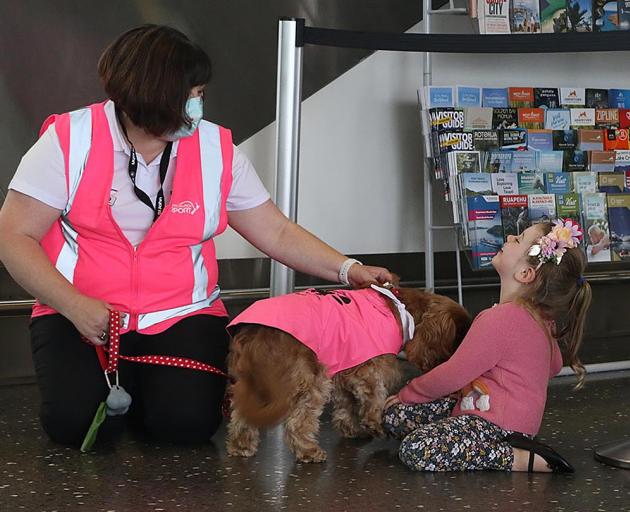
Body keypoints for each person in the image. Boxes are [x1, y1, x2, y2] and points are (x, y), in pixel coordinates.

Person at [0, 25, 392, 448]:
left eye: (200, 93)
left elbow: (275, 231)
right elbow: (13, 234)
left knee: (185, 426)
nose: (198, 105)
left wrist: (347, 269)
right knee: (78, 428)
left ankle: (145, 392)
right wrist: (72, 304)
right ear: (149, 95)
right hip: (81, 314)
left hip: (182, 314)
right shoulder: (68, 140)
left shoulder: (215, 148)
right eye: (191, 94)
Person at [382, 219, 592, 472]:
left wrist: (410, 392)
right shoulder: (542, 320)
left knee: (417, 448)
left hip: (492, 423)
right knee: (395, 416)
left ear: (525, 274)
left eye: (519, 238)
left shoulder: (500, 319)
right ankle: (485, 442)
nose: (511, 237)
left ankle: (517, 458)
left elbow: (453, 374)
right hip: (507, 420)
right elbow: (553, 365)